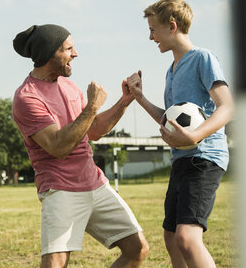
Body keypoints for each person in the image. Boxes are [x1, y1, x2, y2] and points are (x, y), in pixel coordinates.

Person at [12, 24, 149, 268]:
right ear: (49, 53)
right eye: (69, 48)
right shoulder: (27, 97)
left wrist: (124, 102)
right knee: (56, 263)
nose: (75, 54)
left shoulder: (69, 86)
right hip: (60, 189)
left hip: (94, 184)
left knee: (137, 249)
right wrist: (92, 107)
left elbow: (93, 130)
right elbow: (58, 146)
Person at [127, 0, 234, 268]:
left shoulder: (203, 58)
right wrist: (140, 98)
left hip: (205, 158)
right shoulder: (170, 71)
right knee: (172, 236)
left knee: (187, 238)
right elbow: (170, 119)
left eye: (153, 29)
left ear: (172, 26)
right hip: (182, 160)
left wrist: (195, 136)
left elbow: (227, 106)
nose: (151, 37)